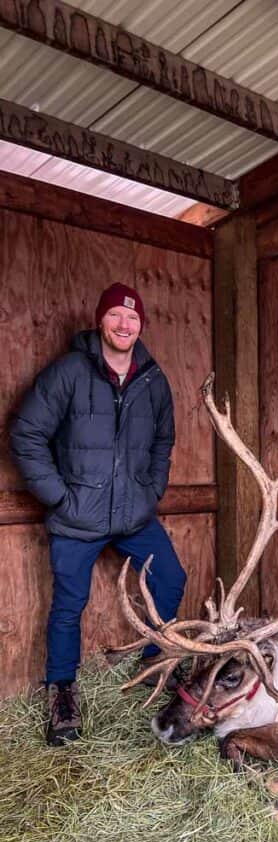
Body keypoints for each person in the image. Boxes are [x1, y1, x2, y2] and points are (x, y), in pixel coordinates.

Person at [10, 283, 187, 747]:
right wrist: (59, 497)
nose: (124, 325)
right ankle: (62, 695)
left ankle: (152, 667)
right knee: (68, 606)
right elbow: (26, 434)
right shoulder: (69, 371)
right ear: (100, 321)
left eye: (132, 319)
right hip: (77, 516)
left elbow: (163, 442)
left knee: (170, 579)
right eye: (115, 316)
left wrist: (150, 493)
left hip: (133, 513)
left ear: (140, 326)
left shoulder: (152, 378)